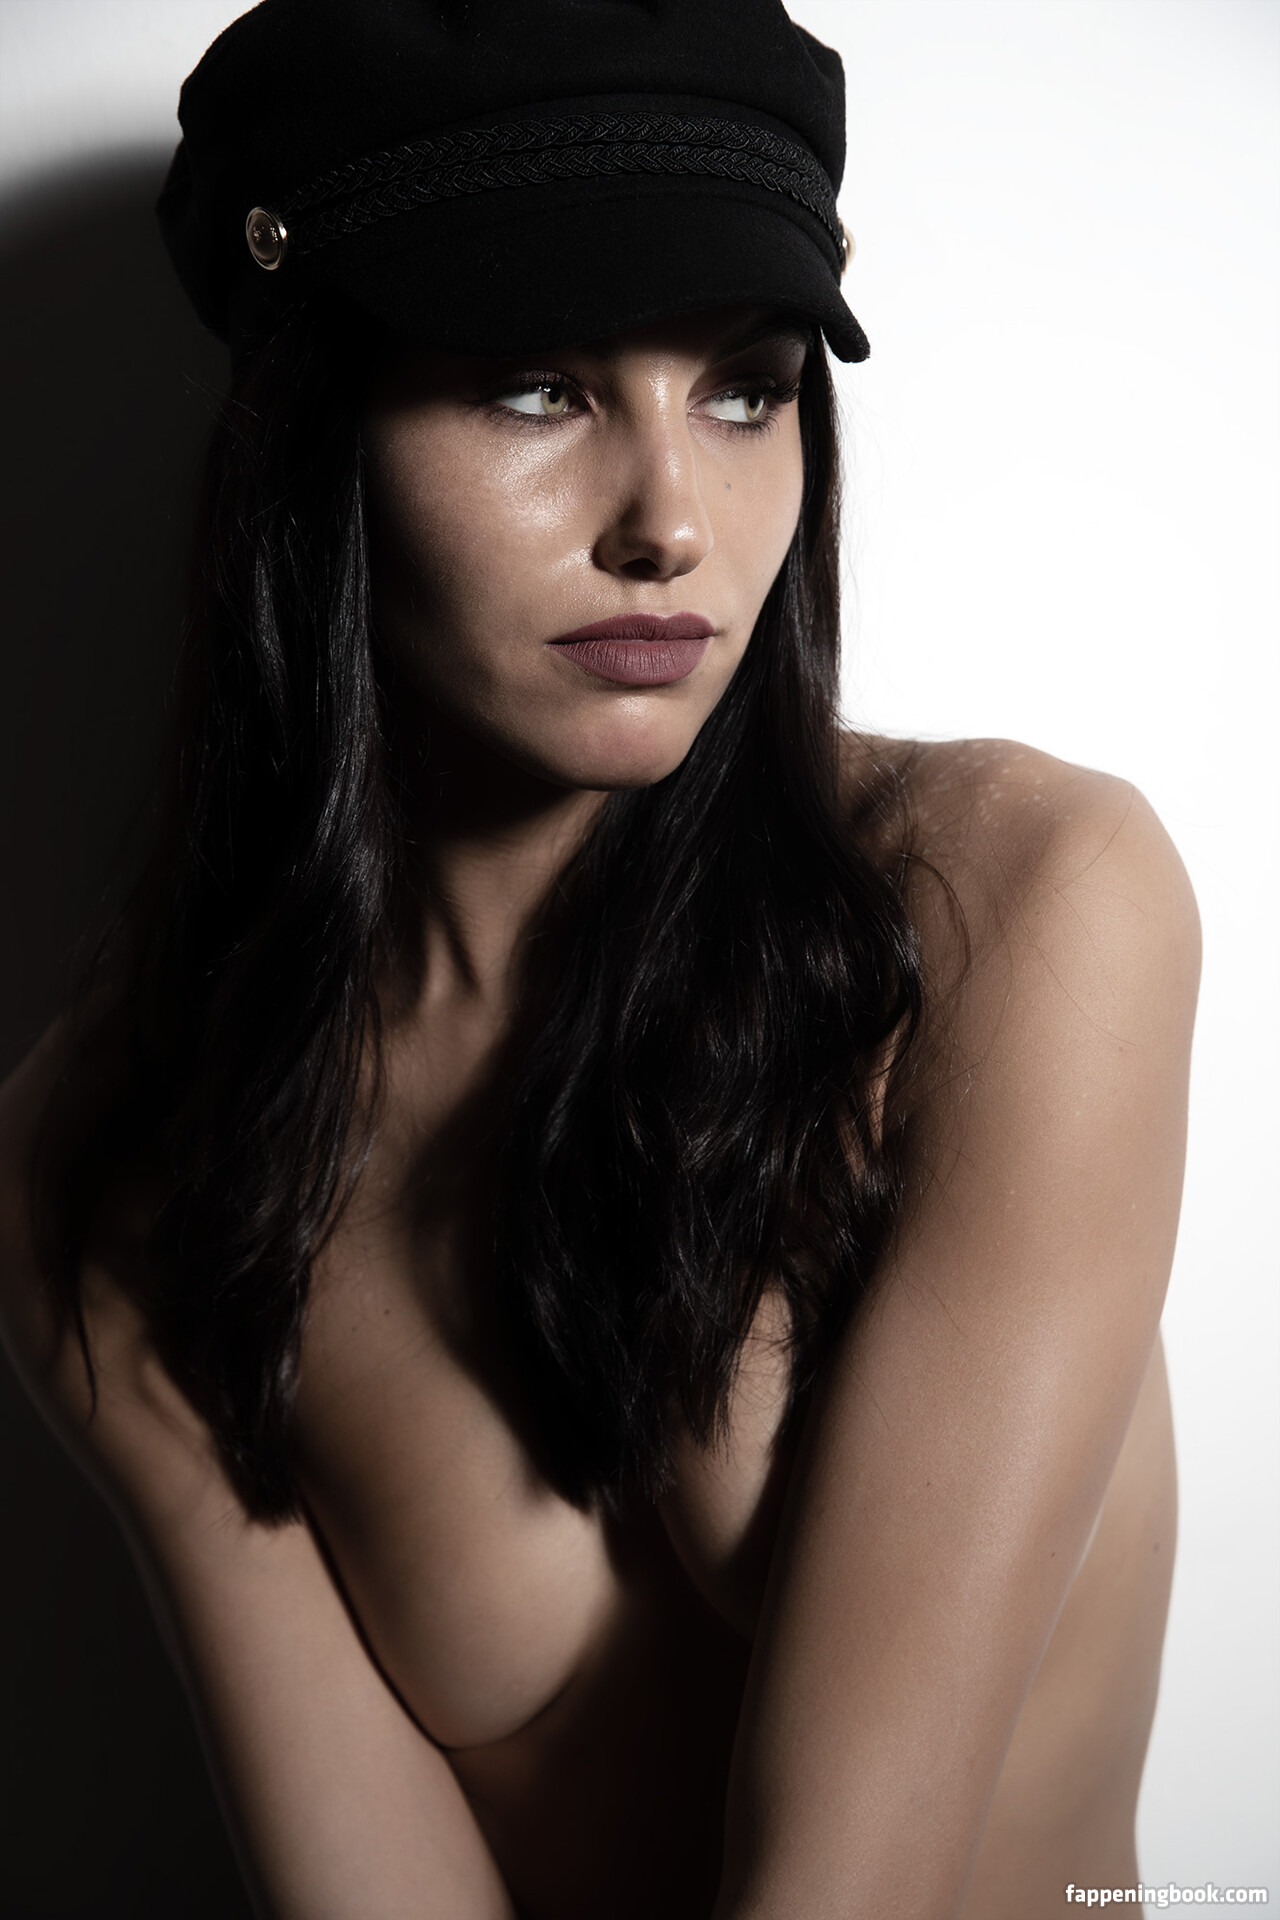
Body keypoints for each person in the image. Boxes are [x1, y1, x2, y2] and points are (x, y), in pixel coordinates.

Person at [0, 2, 1200, 1916]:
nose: (671, 522)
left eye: (744, 388)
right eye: (537, 389)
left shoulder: (1022, 905)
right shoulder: (130, 1149)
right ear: (313, 439)